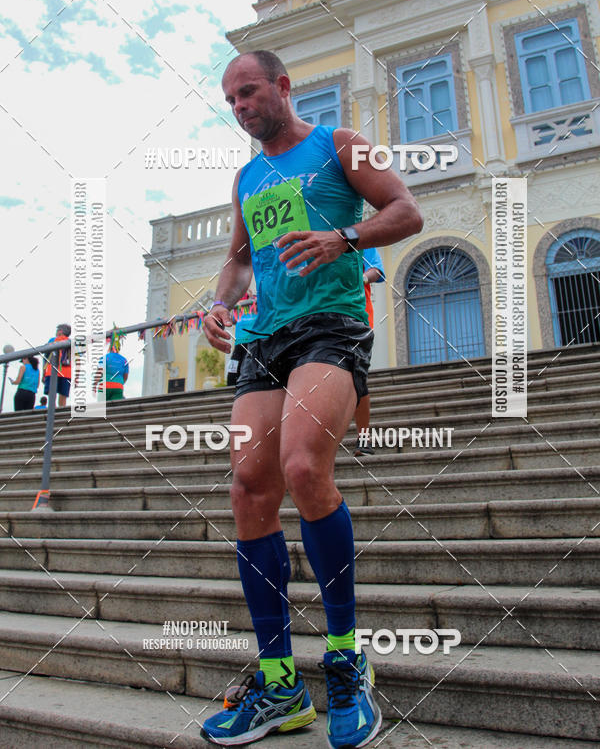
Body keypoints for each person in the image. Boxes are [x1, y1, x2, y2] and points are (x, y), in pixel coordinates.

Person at [201, 50, 423, 748]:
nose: (241, 107)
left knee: (302, 467)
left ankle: (346, 657)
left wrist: (342, 237)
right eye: (231, 100)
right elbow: (239, 258)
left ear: (283, 86)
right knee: (246, 485)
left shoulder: (339, 145)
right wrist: (218, 304)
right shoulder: (246, 176)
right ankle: (278, 686)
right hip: (266, 336)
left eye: (250, 92)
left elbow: (406, 210)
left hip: (332, 324)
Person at [354, 248, 385, 457]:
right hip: (316, 319)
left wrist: (361, 277)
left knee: (357, 378)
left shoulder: (359, 238)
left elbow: (377, 270)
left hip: (357, 318)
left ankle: (363, 438)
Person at [42, 324, 71, 408]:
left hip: (51, 371)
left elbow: (46, 357)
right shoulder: (71, 342)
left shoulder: (52, 340)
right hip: (66, 373)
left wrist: (44, 372)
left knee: (52, 395)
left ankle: (52, 413)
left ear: (60, 332)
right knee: (63, 396)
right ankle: (61, 414)